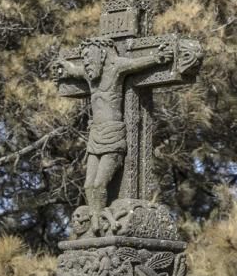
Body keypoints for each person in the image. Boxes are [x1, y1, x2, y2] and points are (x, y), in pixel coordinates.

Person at [56, 38, 173, 235]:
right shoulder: (89, 74)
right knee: (88, 185)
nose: (85, 61)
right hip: (95, 135)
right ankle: (97, 218)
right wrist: (63, 67)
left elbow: (136, 64)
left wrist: (158, 58)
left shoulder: (116, 67)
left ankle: (99, 222)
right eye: (83, 57)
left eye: (88, 55)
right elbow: (72, 70)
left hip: (113, 134)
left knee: (100, 183)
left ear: (101, 53)